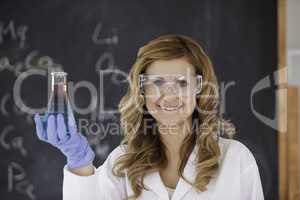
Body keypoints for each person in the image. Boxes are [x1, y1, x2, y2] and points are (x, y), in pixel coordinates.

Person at [33, 34, 264, 200]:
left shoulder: (237, 160)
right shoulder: (122, 163)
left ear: (200, 89)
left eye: (182, 83)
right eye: (157, 83)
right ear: (141, 92)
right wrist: (79, 163)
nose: (169, 95)